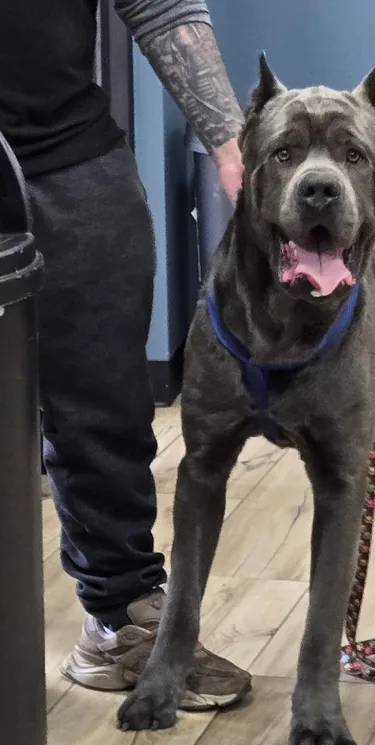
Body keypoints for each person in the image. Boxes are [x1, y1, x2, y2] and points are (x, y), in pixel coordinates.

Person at [0, 0, 251, 709]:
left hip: (72, 164)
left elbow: (160, 2)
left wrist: (231, 142)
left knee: (105, 408)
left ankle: (121, 617)